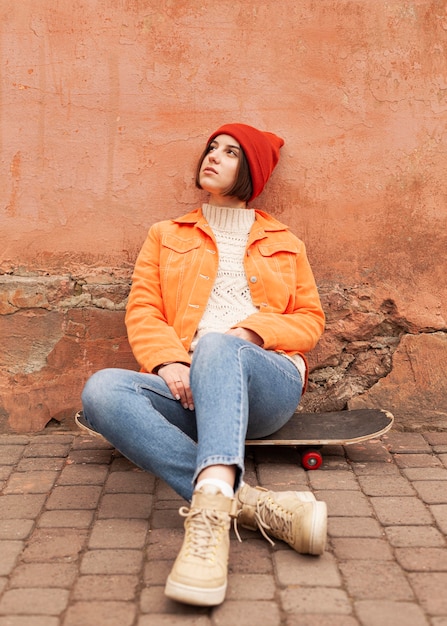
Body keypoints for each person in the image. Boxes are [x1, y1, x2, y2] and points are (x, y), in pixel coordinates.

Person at [80, 122, 327, 607]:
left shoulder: (286, 241)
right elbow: (144, 309)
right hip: (189, 386)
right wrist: (168, 361)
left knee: (218, 343)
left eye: (230, 152)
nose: (212, 156)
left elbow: (310, 320)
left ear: (250, 171)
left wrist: (249, 333)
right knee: (102, 391)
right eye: (212, 148)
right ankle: (243, 502)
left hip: (266, 386)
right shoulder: (165, 235)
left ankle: (208, 536)